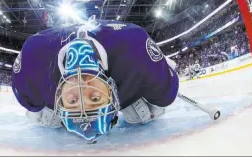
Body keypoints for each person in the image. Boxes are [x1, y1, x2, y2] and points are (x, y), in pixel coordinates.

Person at [11, 19, 179, 142]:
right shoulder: (136, 49)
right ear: (114, 97)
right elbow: (165, 92)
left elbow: (30, 96)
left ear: (59, 102)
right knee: (143, 114)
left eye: (73, 100)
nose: (82, 87)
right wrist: (163, 65)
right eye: (95, 98)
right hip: (127, 63)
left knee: (45, 119)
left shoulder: (33, 63)